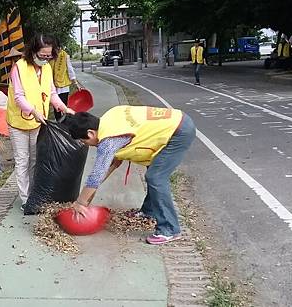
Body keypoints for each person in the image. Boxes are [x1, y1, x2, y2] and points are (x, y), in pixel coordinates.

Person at [62, 105, 196, 245]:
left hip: (178, 132)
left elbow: (97, 174)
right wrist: (89, 196)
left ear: (90, 133)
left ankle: (170, 229)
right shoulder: (110, 117)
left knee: (156, 177)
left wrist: (80, 203)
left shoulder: (108, 141)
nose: (88, 145)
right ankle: (149, 212)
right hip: (175, 121)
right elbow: (112, 164)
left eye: (84, 142)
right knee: (154, 173)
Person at [6, 34, 75, 209]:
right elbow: (19, 97)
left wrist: (63, 107)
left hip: (38, 122)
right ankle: (25, 199)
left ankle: (34, 194)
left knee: (35, 159)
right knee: (22, 160)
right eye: (43, 55)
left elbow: (52, 93)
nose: (45, 59)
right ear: (33, 51)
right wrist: (33, 111)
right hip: (18, 122)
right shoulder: (19, 68)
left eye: (49, 56)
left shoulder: (46, 69)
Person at [49, 43, 81, 120]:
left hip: (64, 86)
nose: (58, 50)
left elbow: (70, 71)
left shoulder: (65, 56)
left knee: (63, 105)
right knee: (56, 107)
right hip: (53, 86)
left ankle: (65, 122)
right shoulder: (49, 56)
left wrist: (76, 83)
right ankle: (59, 122)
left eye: (58, 48)